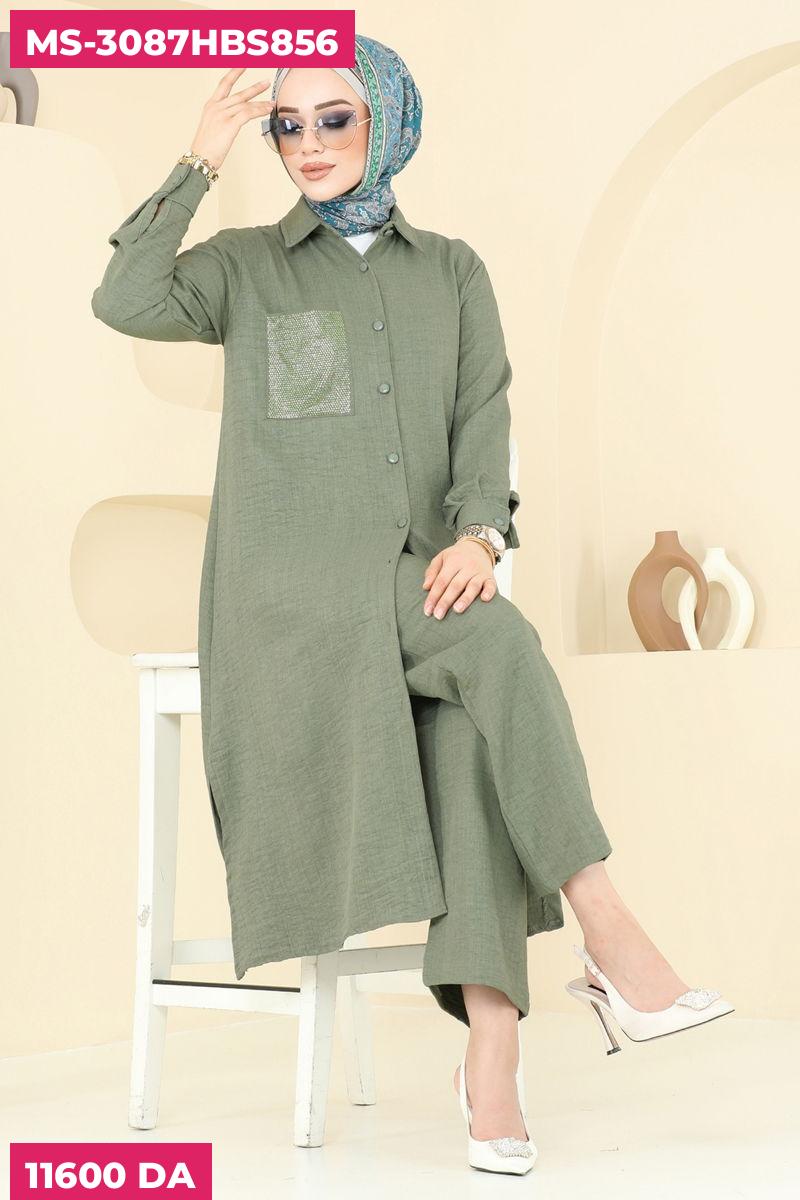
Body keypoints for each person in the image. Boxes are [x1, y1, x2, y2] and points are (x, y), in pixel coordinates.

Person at [91, 33, 733, 1173]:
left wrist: (482, 532)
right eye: (287, 126)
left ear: (386, 118)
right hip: (291, 595)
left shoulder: (453, 273)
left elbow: (482, 418)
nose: (308, 144)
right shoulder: (245, 266)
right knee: (498, 640)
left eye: (333, 118)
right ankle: (609, 929)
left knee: (472, 738)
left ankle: (492, 1056)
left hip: (419, 584)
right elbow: (124, 296)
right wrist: (200, 159)